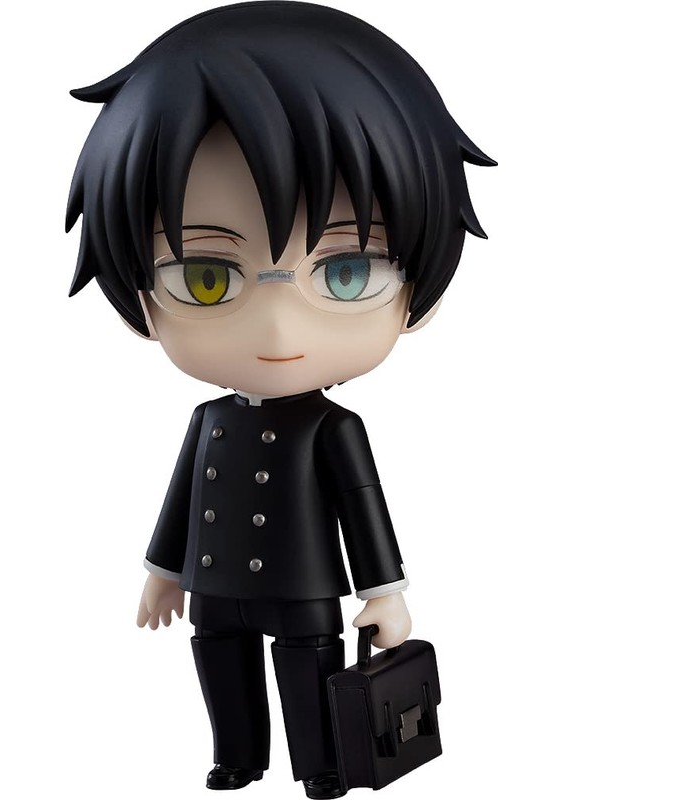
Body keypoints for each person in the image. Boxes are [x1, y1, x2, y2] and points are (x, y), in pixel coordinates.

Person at [65, 3, 494, 797]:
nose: (277, 328)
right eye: (206, 278)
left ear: (420, 292)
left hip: (303, 588)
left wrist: (386, 593)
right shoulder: (209, 420)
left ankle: (320, 765)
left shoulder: (335, 427)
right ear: (139, 300)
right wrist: (163, 570)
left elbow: (363, 509)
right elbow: (181, 501)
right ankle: (237, 756)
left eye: (346, 273)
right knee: (221, 669)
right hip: (215, 584)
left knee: (308, 676)